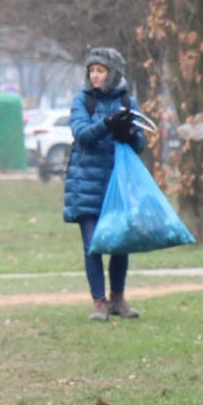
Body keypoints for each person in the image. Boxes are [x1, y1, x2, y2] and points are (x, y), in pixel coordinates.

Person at [62, 47, 146, 321]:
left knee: (120, 243)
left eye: (100, 71)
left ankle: (118, 298)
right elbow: (83, 134)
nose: (95, 76)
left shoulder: (127, 100)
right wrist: (108, 124)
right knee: (93, 245)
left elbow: (140, 144)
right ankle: (98, 301)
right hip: (86, 183)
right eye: (92, 71)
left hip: (117, 182)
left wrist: (128, 132)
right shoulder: (82, 100)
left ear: (112, 73)